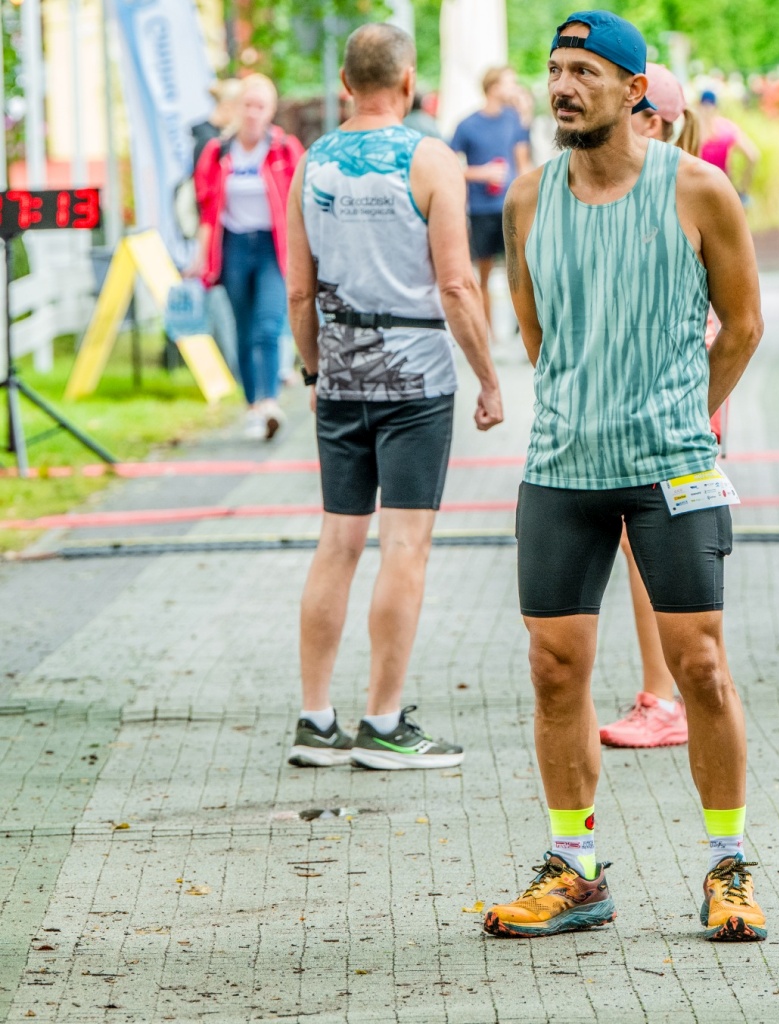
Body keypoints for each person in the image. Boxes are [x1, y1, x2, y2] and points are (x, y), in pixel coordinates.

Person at [482, 11, 766, 942]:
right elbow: (534, 331)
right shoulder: (528, 197)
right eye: (555, 70)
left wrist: (684, 414)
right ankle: (575, 869)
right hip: (561, 468)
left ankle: (728, 866)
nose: (563, 87)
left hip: (672, 468)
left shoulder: (698, 189)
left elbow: (745, 325)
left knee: (701, 668)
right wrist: (584, 403)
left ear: (636, 90)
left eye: (585, 71)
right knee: (553, 669)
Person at [283, 23, 504, 771]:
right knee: (403, 544)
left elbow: (299, 291)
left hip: (341, 375)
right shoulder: (431, 159)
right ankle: (381, 723)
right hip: (416, 381)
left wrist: (316, 373)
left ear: (346, 83)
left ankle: (316, 721)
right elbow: (457, 284)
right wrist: (489, 378)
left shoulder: (311, 163)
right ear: (408, 82)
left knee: (338, 541)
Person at [598, 62, 703, 750]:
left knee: (655, 542)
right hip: (659, 395)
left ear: (653, 122)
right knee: (652, 540)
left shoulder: (677, 191)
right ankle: (675, 691)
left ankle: (668, 697)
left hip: (671, 398)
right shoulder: (662, 187)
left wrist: (695, 404)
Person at [190, 73, 304, 441]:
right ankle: (252, 405)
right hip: (234, 246)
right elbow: (206, 208)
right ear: (236, 108)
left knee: (268, 324)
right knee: (242, 328)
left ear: (271, 111)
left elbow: (301, 202)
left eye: (260, 106)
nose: (253, 113)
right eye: (248, 105)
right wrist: (200, 255)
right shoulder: (218, 152)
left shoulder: (285, 150)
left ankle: (270, 402)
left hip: (272, 247)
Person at [450, 67, 534, 328]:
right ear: (494, 87)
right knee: (484, 275)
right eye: (509, 83)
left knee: (519, 272)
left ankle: (522, 329)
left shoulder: (513, 120)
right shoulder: (467, 125)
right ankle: (489, 334)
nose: (514, 88)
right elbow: (448, 167)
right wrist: (481, 173)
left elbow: (523, 162)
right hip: (481, 209)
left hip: (511, 207)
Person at [697, 88, 759, 202]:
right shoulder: (727, 127)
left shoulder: (694, 130)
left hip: (699, 188)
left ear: (699, 106)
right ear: (716, 107)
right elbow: (753, 156)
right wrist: (743, 189)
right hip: (724, 186)